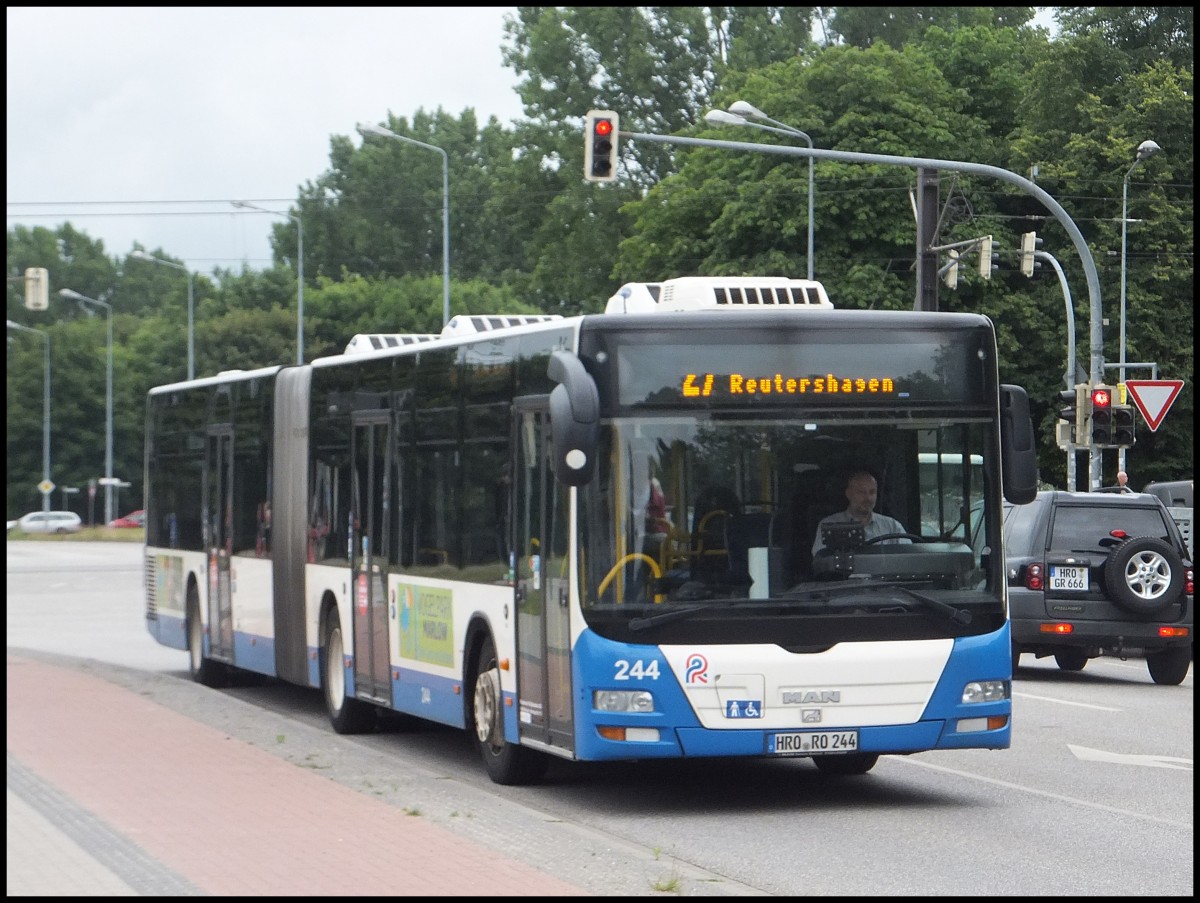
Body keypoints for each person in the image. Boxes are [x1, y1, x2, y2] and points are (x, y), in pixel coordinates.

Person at [812, 469, 910, 556]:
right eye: (861, 492)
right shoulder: (829, 525)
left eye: (872, 492)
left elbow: (909, 557)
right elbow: (821, 561)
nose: (868, 498)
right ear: (848, 494)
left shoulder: (892, 526)